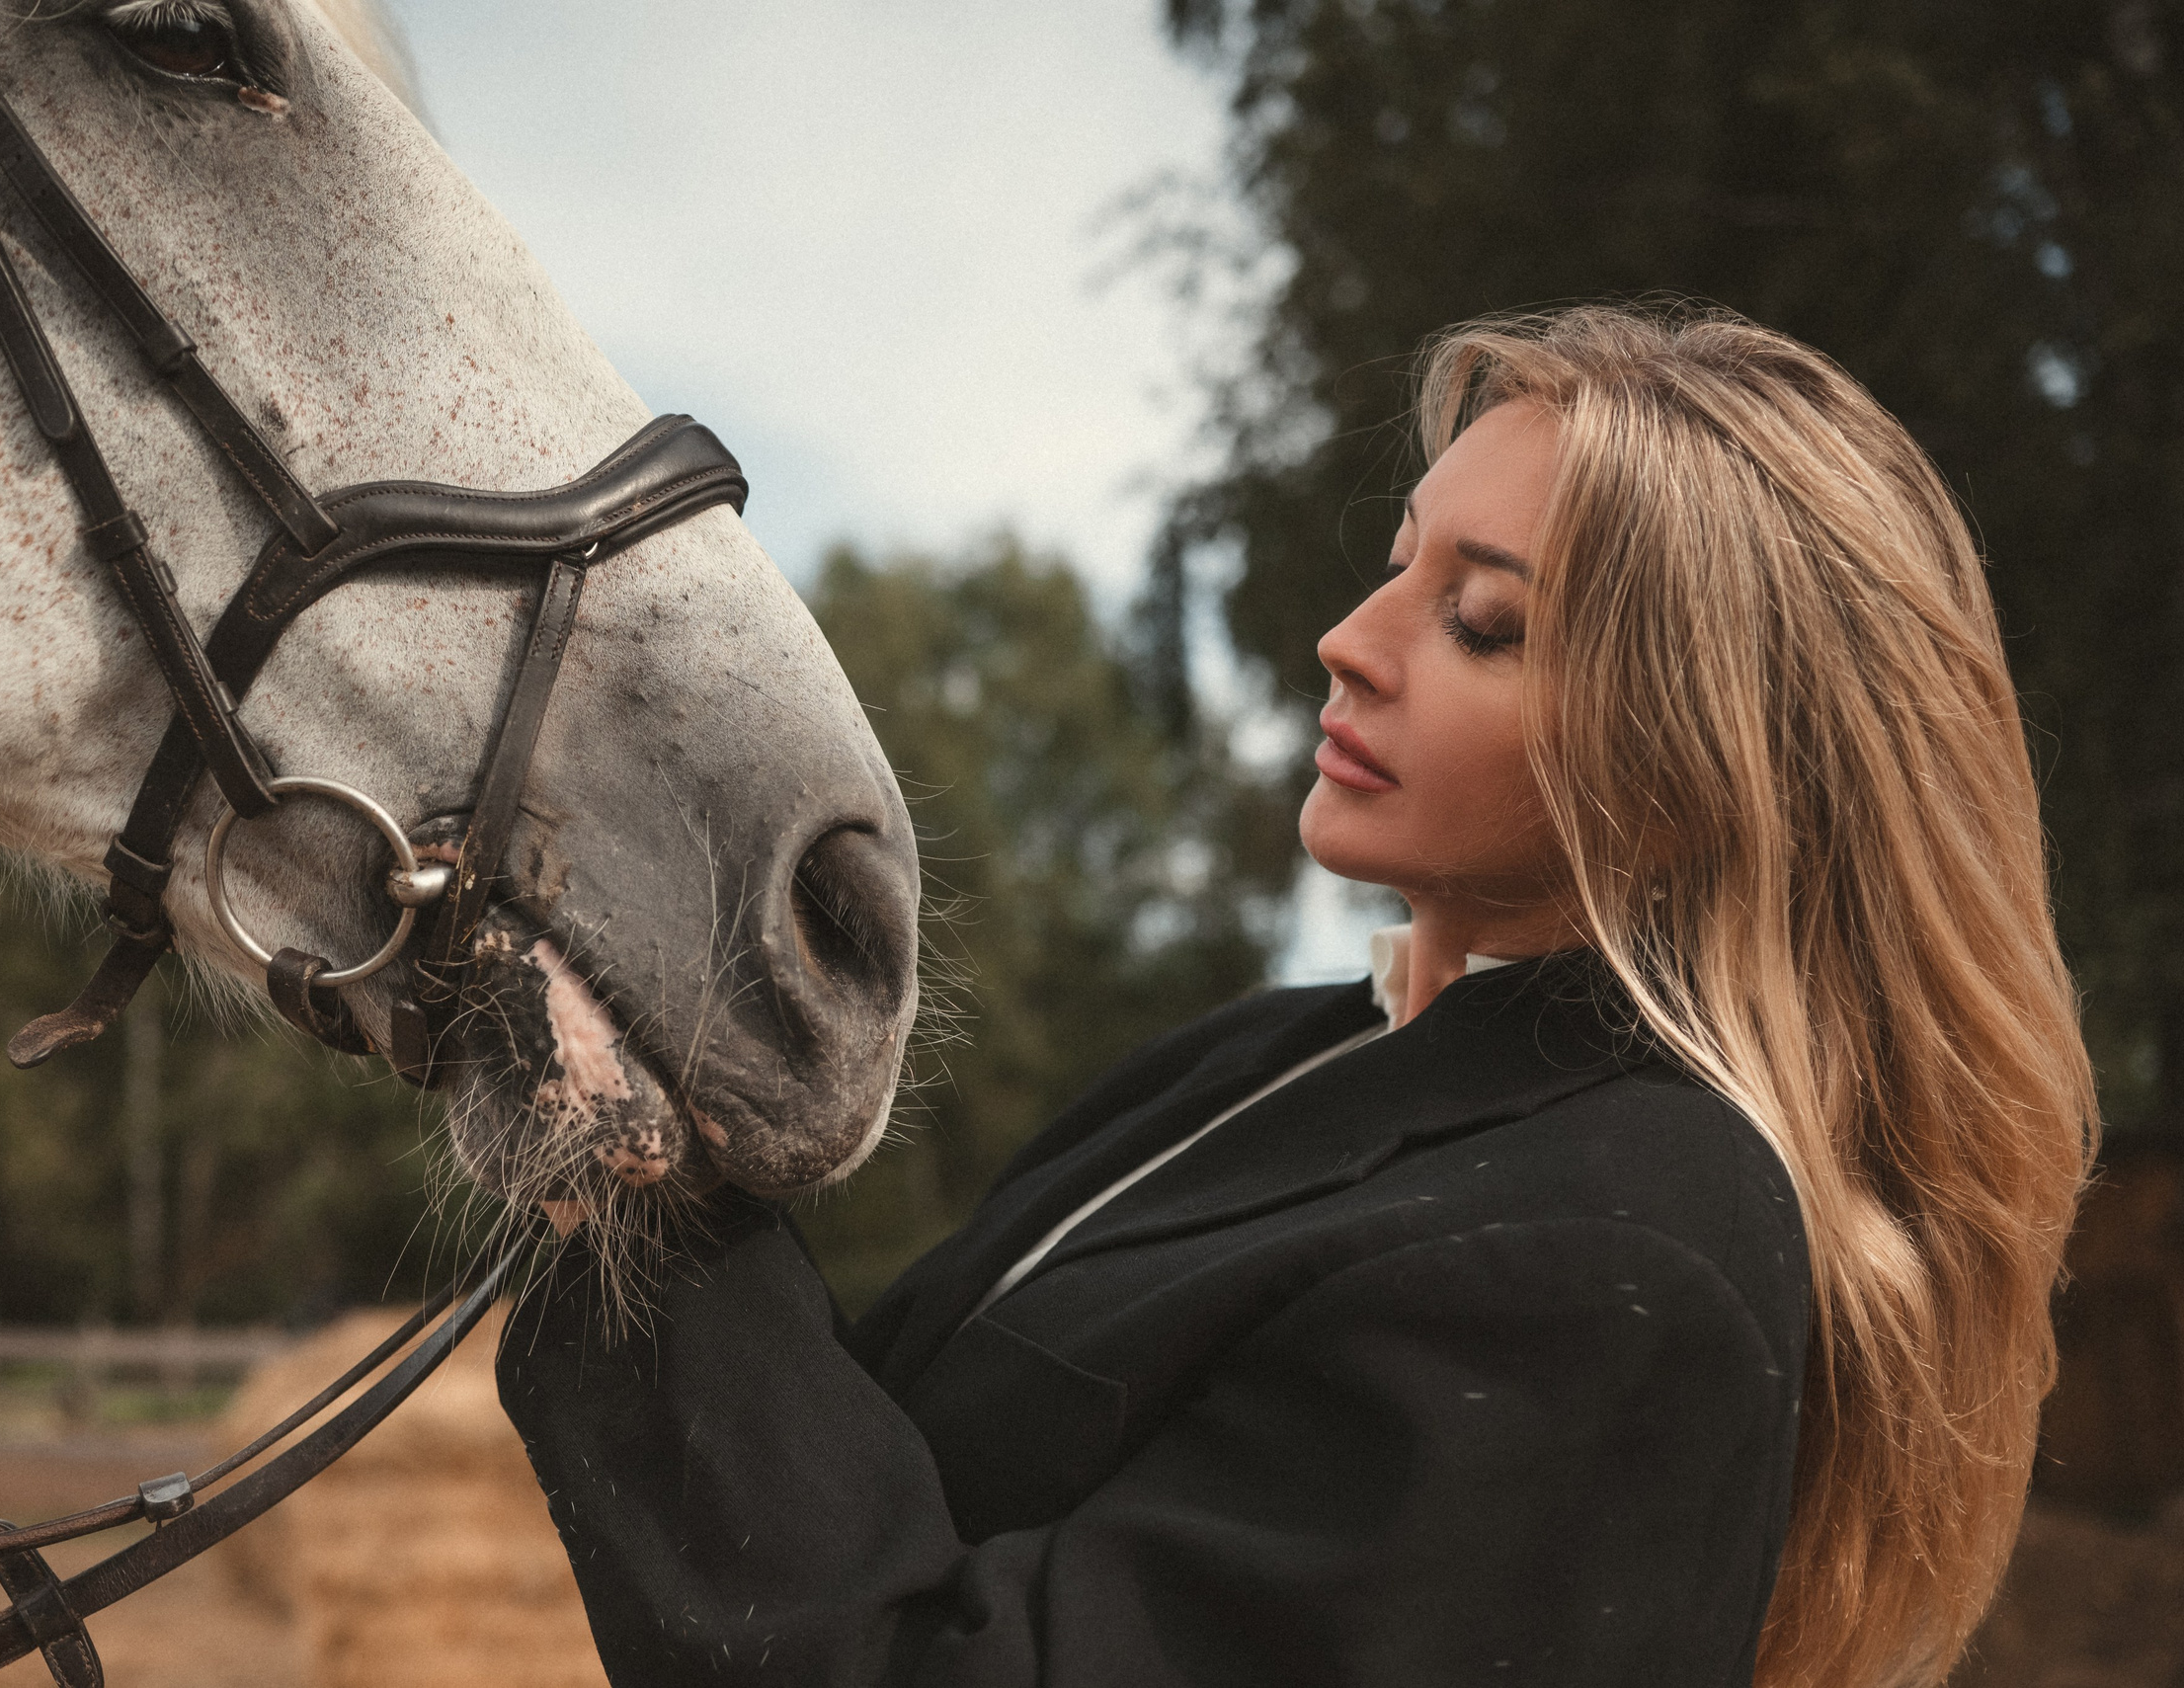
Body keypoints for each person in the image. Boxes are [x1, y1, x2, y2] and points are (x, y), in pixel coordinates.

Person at [495, 304, 2097, 1687]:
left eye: (1483, 622)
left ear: (1700, 773)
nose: (1346, 643)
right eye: (1397, 569)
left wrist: (632, 1189)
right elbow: (875, 1467)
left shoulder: (1625, 1248)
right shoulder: (1274, 1055)